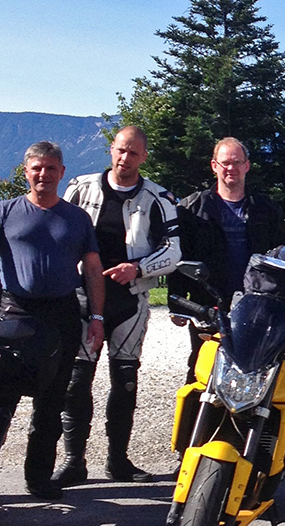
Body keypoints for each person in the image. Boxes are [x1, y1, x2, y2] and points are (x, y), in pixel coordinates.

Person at [0, 141, 105, 501]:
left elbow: (92, 269)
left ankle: (38, 480)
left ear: (61, 172)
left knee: (51, 403)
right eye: (36, 168)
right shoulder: (4, 211)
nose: (43, 174)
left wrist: (97, 317)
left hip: (62, 316)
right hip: (15, 314)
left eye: (50, 168)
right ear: (26, 172)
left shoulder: (77, 219)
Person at [53, 126, 181, 486]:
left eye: (134, 153)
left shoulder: (159, 198)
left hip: (130, 301)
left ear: (144, 157)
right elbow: (60, 233)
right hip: (82, 298)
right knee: (77, 383)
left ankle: (117, 461)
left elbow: (174, 251)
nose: (126, 159)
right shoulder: (80, 187)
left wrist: (137, 268)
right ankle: (73, 461)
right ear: (111, 149)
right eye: (121, 150)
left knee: (125, 383)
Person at [170, 137, 285, 379]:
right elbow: (179, 258)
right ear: (214, 166)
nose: (230, 168)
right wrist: (177, 304)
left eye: (237, 162)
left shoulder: (267, 210)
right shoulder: (191, 209)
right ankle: (197, 418)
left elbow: (280, 258)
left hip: (256, 304)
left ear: (247, 166)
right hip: (208, 303)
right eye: (225, 163)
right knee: (202, 369)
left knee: (254, 369)